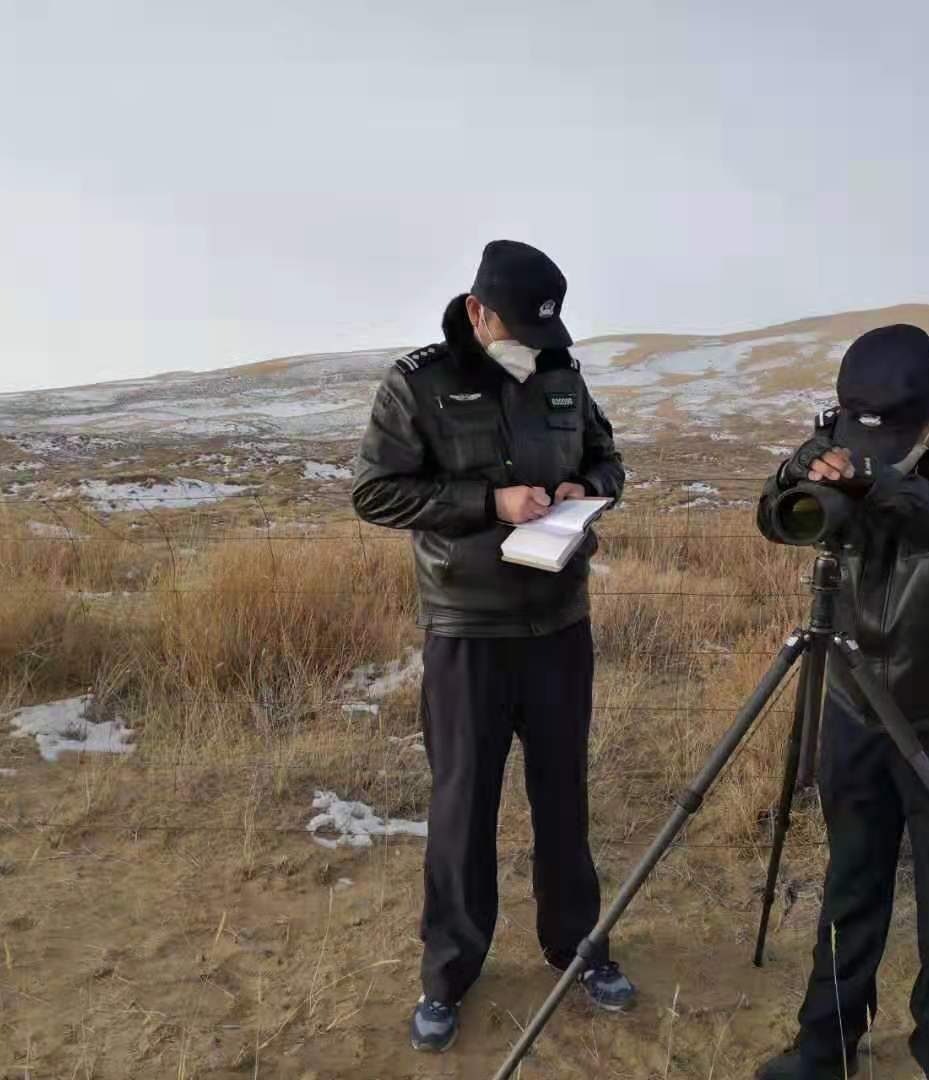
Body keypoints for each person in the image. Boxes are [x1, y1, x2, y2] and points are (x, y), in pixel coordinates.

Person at [351, 239, 635, 1053]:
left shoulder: (561, 371)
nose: (533, 350)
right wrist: (489, 500)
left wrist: (590, 488)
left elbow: (609, 459)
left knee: (564, 799)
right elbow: (375, 491)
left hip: (558, 625)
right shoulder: (418, 383)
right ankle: (449, 974)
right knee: (462, 809)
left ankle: (579, 949)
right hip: (467, 630)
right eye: (517, 332)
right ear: (478, 313)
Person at [753, 324, 929, 1080]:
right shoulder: (841, 430)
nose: (872, 446)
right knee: (852, 874)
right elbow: (774, 519)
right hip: (855, 690)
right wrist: (802, 477)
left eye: (894, 436)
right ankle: (825, 1044)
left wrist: (878, 484)